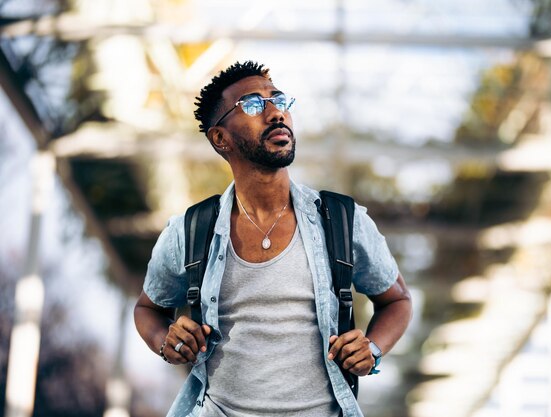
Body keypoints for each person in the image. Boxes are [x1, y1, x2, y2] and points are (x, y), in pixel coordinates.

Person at [134, 60, 412, 417]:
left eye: (279, 100)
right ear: (221, 139)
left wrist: (372, 348)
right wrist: (165, 341)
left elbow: (398, 301)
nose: (275, 113)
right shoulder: (189, 232)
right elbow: (148, 309)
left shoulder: (341, 220)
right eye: (252, 104)